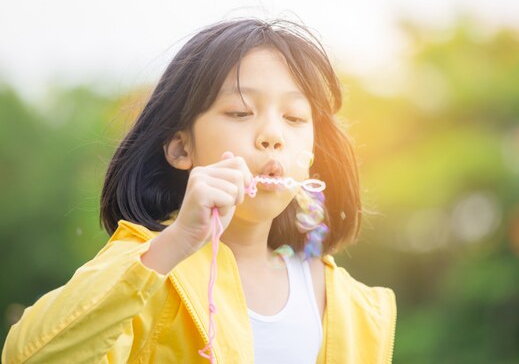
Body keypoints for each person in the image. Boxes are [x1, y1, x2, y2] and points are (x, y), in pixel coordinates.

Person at [2, 18, 397, 364]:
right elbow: (30, 356)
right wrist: (178, 241)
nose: (273, 136)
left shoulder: (351, 306)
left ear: (311, 156)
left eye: (294, 118)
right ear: (181, 148)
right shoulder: (151, 265)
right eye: (241, 112)